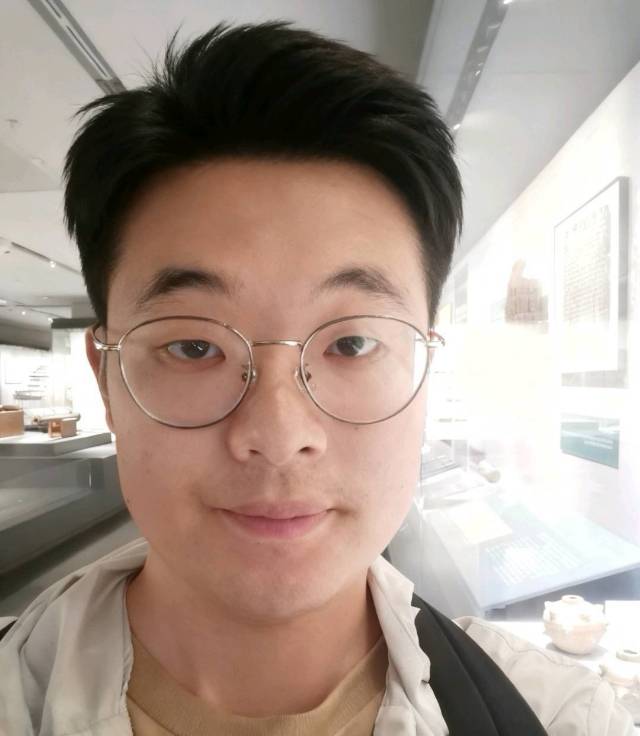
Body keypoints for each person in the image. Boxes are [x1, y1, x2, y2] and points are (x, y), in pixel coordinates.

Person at [0, 21, 634, 736]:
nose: (277, 435)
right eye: (193, 346)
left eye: (353, 343)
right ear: (106, 380)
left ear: (425, 371)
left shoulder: (556, 717)